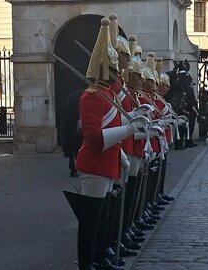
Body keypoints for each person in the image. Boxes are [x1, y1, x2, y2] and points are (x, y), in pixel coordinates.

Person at [63, 18, 148, 270]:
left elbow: (113, 130)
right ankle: (88, 263)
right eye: (112, 68)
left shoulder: (109, 94)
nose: (116, 73)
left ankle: (101, 257)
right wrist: (129, 129)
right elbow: (94, 137)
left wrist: (122, 150)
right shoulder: (91, 96)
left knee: (103, 218)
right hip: (95, 163)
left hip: (109, 161)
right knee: (91, 222)